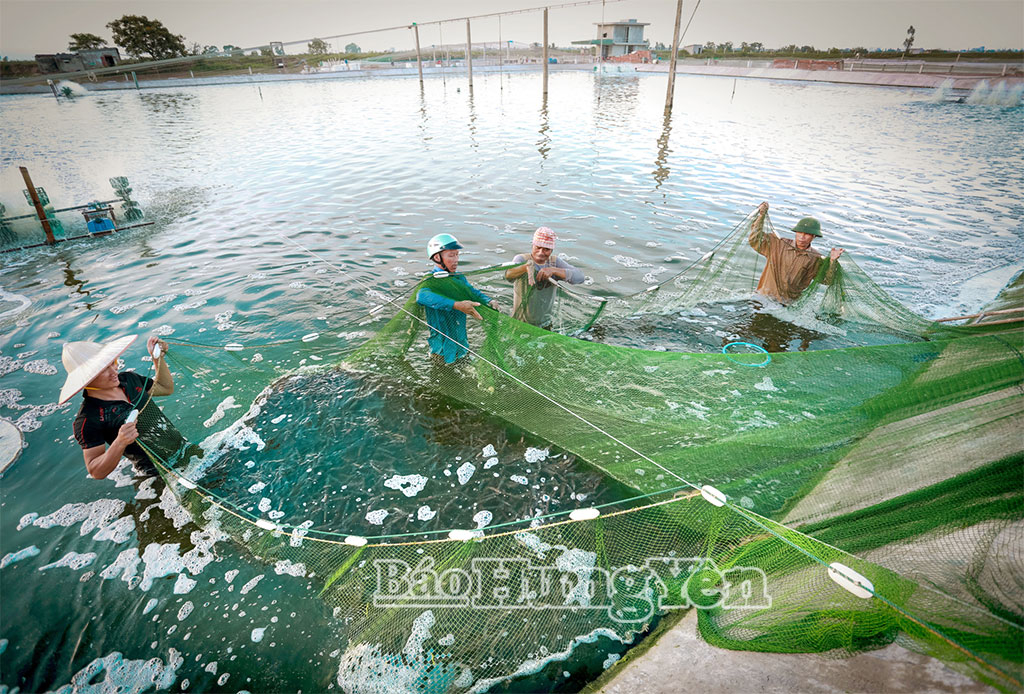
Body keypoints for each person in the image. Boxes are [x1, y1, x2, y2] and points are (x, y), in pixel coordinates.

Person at [60, 334, 184, 479]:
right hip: (155, 474)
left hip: (181, 449)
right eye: (103, 370)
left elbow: (165, 388)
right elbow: (96, 471)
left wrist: (157, 358)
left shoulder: (129, 379)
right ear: (85, 380)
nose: (114, 372)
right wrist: (120, 442)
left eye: (113, 363)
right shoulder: (89, 419)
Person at [416, 233, 497, 364]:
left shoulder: (458, 278)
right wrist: (456, 305)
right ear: (437, 257)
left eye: (457, 254)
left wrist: (488, 300)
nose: (456, 260)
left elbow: (472, 292)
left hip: (462, 345)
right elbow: (422, 296)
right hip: (441, 350)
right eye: (451, 255)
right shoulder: (430, 281)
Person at [748, 202, 844, 305]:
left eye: (807, 234)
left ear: (814, 237)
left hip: (787, 305)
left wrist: (832, 261)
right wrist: (761, 216)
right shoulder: (777, 243)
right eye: (799, 232)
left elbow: (827, 281)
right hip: (762, 298)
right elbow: (754, 240)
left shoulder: (815, 258)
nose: (802, 237)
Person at [504, 227, 584, 329]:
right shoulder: (522, 259)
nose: (541, 252)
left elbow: (580, 277)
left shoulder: (555, 262)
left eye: (546, 249)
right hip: (520, 322)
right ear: (532, 245)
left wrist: (554, 270)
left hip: (545, 324)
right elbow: (508, 275)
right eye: (538, 247)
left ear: (552, 250)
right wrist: (525, 267)